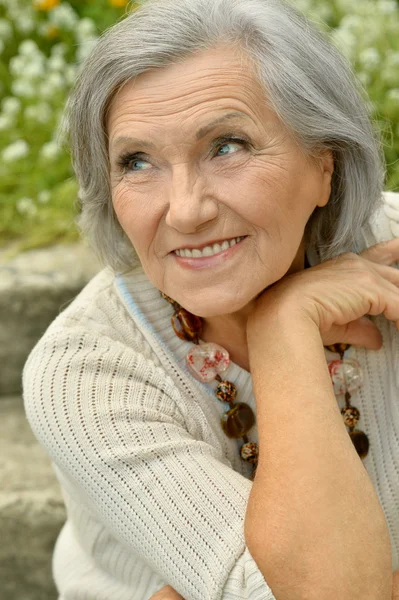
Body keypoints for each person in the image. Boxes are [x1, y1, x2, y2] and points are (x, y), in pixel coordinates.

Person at [22, 0, 399, 598]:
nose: (186, 209)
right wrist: (282, 329)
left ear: (324, 161)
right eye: (137, 162)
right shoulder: (85, 372)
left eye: (227, 146)